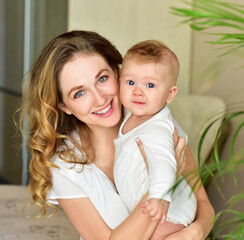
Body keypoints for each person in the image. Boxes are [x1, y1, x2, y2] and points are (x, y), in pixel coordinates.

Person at [19, 30, 215, 240]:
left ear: (117, 73)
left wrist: (195, 232)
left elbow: (203, 204)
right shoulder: (64, 165)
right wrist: (162, 187)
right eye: (79, 93)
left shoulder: (154, 122)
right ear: (64, 106)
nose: (100, 99)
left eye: (102, 79)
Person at [114, 40, 196, 239]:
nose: (138, 91)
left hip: (171, 211)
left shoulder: (157, 129)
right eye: (130, 82)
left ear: (169, 94)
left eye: (150, 85)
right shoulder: (131, 115)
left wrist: (160, 197)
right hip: (153, 206)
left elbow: (164, 163)